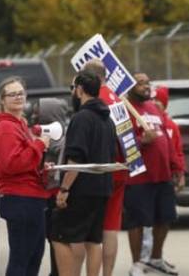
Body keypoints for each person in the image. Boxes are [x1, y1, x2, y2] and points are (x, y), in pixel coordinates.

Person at [50, 71, 117, 276]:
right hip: (103, 188)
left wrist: (64, 188)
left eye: (73, 88)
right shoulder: (108, 120)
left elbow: (75, 159)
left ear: (79, 90)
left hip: (81, 190)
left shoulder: (82, 118)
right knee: (93, 240)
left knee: (59, 235)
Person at [0, 76, 50, 276]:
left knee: (33, 256)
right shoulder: (5, 127)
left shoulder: (20, 124)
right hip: (19, 197)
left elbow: (24, 160)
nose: (17, 97)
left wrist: (41, 165)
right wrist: (39, 145)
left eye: (20, 93)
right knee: (21, 259)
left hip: (31, 196)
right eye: (12, 94)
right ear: (2, 100)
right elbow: (12, 164)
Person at [125, 73, 182, 276]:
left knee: (165, 218)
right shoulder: (126, 110)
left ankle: (156, 259)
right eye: (140, 83)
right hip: (139, 177)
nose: (146, 86)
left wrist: (176, 168)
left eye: (148, 82)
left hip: (163, 175)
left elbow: (167, 139)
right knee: (137, 222)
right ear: (130, 87)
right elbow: (123, 144)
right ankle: (137, 263)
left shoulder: (153, 108)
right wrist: (143, 141)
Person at [82, 59, 131, 276]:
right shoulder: (118, 99)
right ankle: (107, 273)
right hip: (121, 166)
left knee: (91, 230)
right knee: (111, 227)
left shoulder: (93, 99)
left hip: (98, 169)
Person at [34, 97, 69, 276]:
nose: (35, 114)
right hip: (46, 194)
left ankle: (58, 272)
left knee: (56, 237)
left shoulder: (61, 138)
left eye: (38, 111)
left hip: (55, 194)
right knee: (51, 237)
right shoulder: (42, 134)